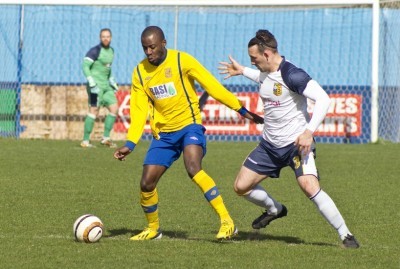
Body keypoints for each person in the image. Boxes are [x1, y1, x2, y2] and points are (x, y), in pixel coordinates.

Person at [113, 26, 263, 241]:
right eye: (145, 48)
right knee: (146, 183)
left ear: (163, 43)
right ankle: (153, 229)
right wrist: (131, 143)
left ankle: (227, 222)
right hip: (163, 135)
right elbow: (138, 110)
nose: (148, 52)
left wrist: (241, 109)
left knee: (193, 167)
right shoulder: (139, 72)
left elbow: (211, 85)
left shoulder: (182, 61)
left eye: (152, 47)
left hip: (189, 126)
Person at [218, 29, 360, 248]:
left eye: (253, 58)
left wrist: (308, 131)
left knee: (309, 186)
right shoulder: (265, 71)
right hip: (268, 146)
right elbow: (262, 76)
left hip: (296, 145)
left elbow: (323, 99)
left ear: (266, 55)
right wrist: (243, 70)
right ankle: (275, 209)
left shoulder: (292, 74)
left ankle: (345, 235)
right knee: (240, 187)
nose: (252, 62)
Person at [81, 28, 119, 148]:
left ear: (111, 38)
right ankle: (85, 141)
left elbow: (108, 68)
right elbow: (85, 66)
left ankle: (106, 138)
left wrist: (112, 80)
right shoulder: (95, 51)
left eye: (108, 36)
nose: (106, 38)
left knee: (114, 108)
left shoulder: (112, 51)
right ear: (100, 38)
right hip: (95, 86)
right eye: (103, 36)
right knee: (94, 111)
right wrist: (91, 81)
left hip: (106, 86)